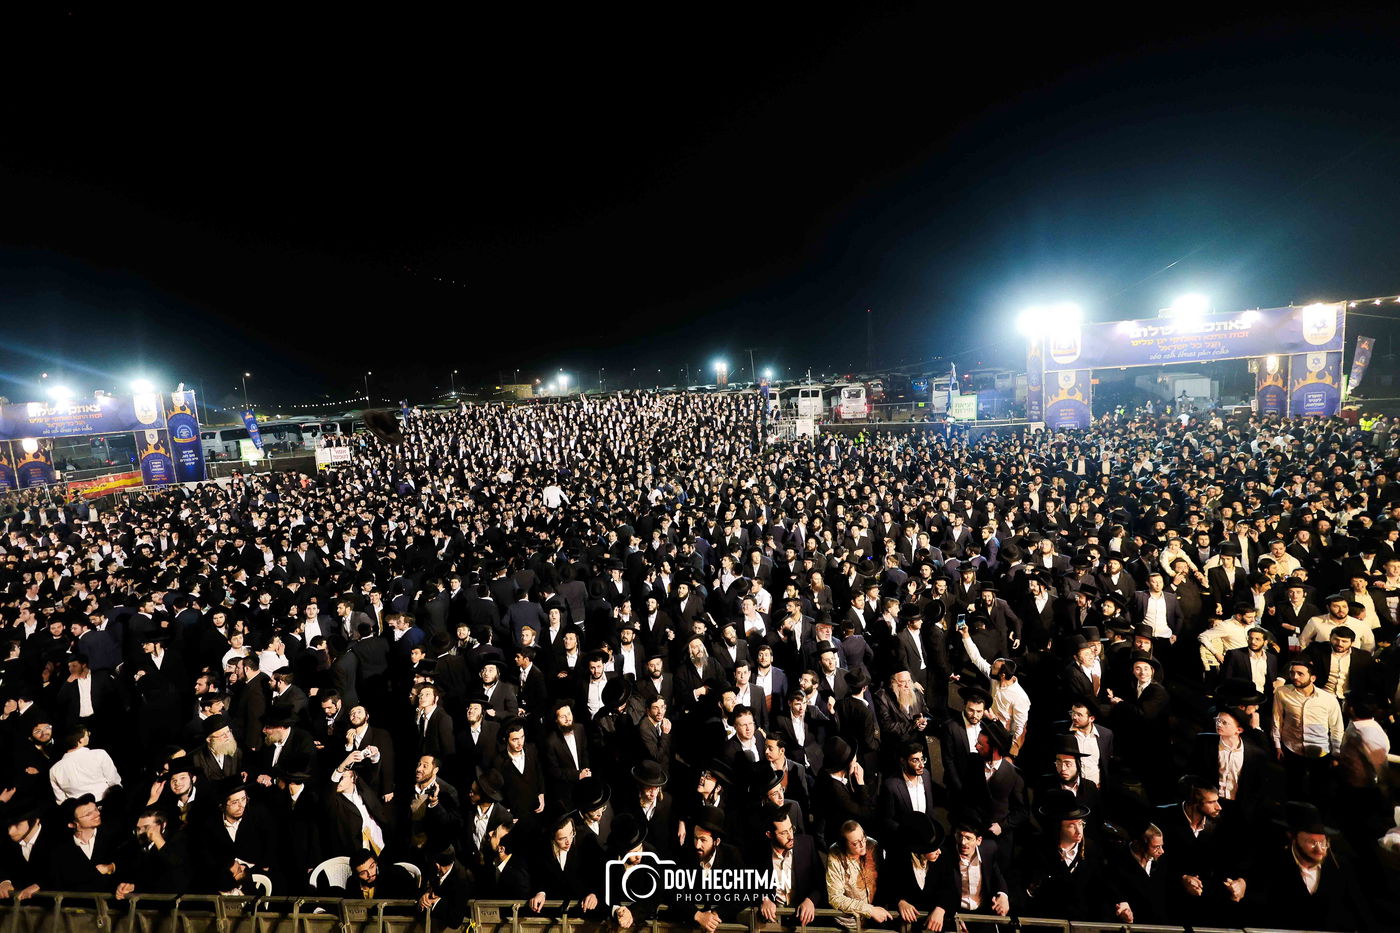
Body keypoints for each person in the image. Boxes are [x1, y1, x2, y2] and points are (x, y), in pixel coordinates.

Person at [825, 820, 892, 928]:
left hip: (877, 918)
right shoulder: (835, 855)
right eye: (855, 843)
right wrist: (869, 910)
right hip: (849, 923)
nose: (862, 844)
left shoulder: (873, 845)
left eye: (863, 837)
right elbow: (835, 898)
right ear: (844, 844)